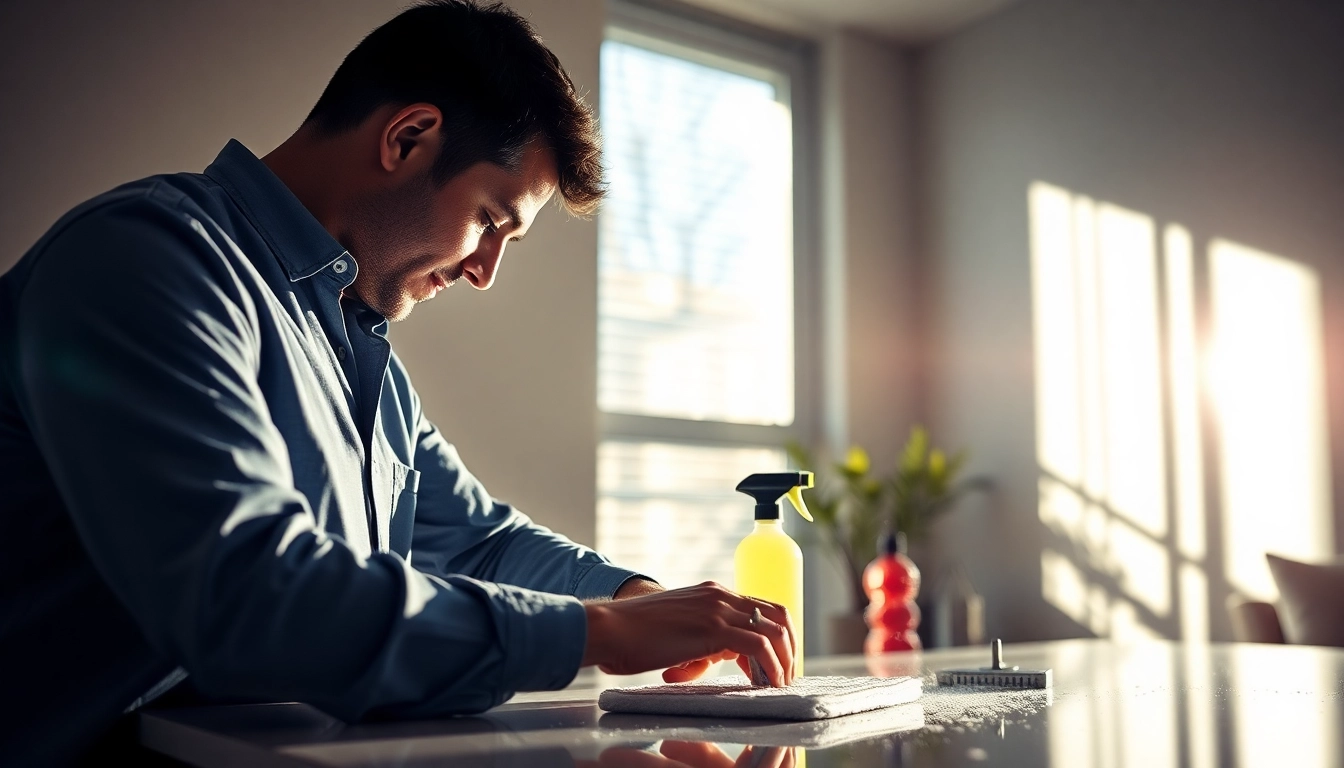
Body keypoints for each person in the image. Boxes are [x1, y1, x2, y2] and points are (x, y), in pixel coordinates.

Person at [0, 1, 795, 762]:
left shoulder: (361, 354)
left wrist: (635, 598)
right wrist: (600, 635)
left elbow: (476, 540)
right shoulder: (147, 261)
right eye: (490, 219)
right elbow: (247, 597)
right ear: (408, 138)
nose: (486, 272)